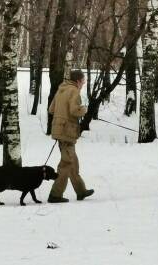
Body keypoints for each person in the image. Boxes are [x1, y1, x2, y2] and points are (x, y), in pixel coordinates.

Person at [47, 70, 94, 203]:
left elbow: (51, 109)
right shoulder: (74, 91)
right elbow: (74, 110)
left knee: (73, 162)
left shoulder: (61, 89)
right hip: (67, 131)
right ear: (78, 81)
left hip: (59, 129)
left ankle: (81, 191)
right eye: (83, 81)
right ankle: (55, 195)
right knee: (66, 163)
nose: (83, 83)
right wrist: (84, 109)